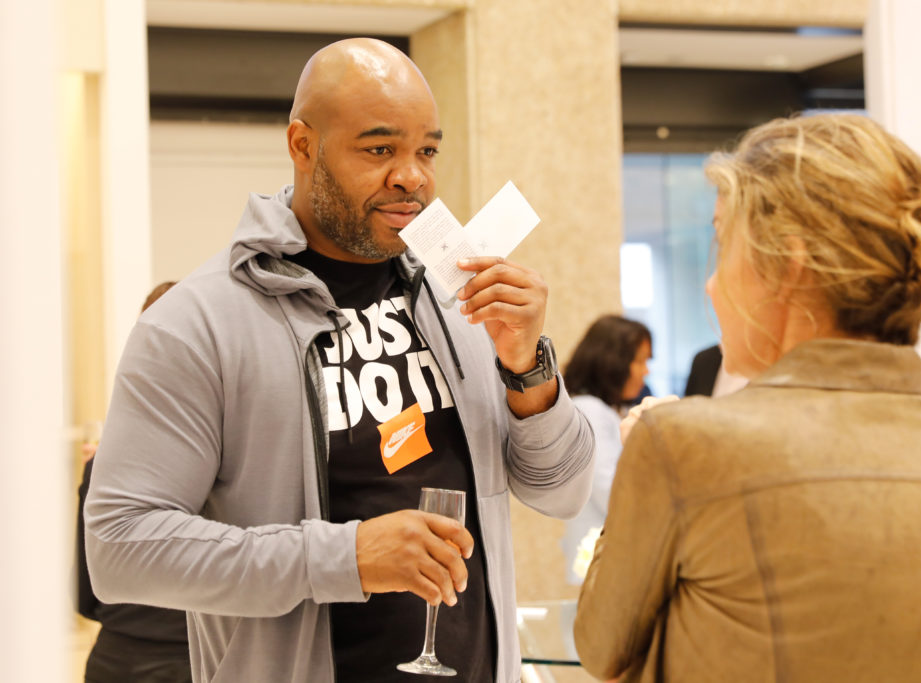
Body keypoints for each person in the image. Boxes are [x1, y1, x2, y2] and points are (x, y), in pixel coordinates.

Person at [84, 38, 594, 683]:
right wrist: (345, 556)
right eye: (379, 149)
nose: (412, 176)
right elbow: (120, 548)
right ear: (303, 145)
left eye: (426, 150)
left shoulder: (455, 296)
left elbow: (563, 491)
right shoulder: (196, 324)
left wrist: (529, 370)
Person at [574, 113, 921, 682]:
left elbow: (600, 647)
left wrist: (643, 452)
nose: (710, 284)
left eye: (721, 243)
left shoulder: (683, 444)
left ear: (788, 265)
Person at [76, 282, 190, 683]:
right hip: (201, 656)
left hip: (115, 655)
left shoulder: (107, 458)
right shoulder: (249, 457)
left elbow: (86, 593)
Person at [558, 314, 651, 584]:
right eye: (640, 361)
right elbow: (610, 490)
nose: (646, 371)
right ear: (614, 362)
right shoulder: (591, 410)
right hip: (605, 560)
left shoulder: (609, 411)